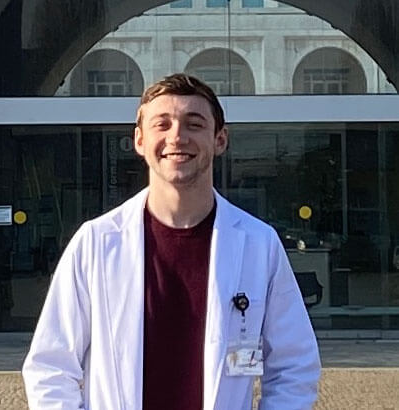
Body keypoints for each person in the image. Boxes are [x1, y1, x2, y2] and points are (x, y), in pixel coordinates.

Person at [22, 73, 321, 409]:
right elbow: (51, 366)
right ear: (139, 140)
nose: (177, 137)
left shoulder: (258, 245)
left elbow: (294, 365)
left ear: (220, 139)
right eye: (161, 124)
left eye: (194, 124)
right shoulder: (96, 243)